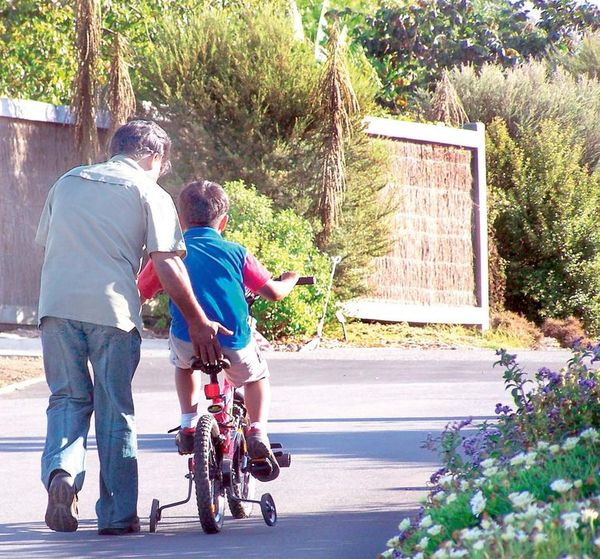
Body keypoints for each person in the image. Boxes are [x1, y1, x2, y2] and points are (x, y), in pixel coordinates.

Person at [35, 121, 231, 535]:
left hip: (55, 308)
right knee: (113, 407)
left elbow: (47, 244)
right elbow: (167, 262)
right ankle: (118, 515)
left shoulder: (67, 182)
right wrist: (197, 321)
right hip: (113, 313)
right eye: (163, 163)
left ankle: (62, 475)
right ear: (152, 157)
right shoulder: (148, 192)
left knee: (67, 399)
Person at [138, 179, 298, 481]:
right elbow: (273, 292)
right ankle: (257, 431)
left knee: (184, 367)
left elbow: (141, 291)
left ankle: (188, 423)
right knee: (256, 376)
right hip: (232, 339)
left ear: (181, 219)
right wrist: (290, 278)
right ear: (223, 221)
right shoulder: (236, 252)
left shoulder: (169, 254)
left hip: (188, 338)